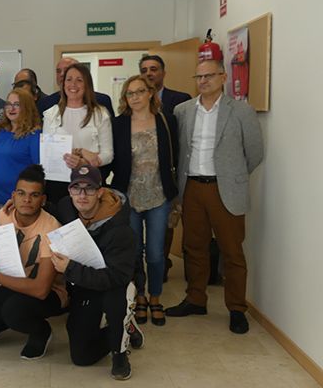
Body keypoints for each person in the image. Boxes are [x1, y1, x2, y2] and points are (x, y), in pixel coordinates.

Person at [165, 59, 264, 334]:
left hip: (226, 189)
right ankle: (196, 298)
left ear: (223, 77)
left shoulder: (241, 111)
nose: (203, 81)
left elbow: (255, 151)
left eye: (209, 75)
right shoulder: (182, 110)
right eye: (199, 76)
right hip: (193, 187)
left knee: (232, 251)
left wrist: (234, 177)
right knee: (194, 247)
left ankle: (236, 308)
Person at [0, 165, 67, 361]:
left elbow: (41, 289)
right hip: (11, 284)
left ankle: (41, 331)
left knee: (13, 310)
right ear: (13, 196)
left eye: (34, 196)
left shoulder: (51, 229)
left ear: (43, 200)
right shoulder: (3, 215)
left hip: (49, 293)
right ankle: (7, 317)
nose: (26, 200)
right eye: (21, 193)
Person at [51, 165, 141, 380]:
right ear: (69, 191)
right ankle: (125, 328)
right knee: (81, 356)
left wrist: (69, 269)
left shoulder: (121, 229)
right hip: (85, 284)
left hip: (114, 284)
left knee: (115, 298)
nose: (82, 195)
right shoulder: (66, 208)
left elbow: (115, 276)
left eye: (89, 189)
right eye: (76, 188)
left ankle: (119, 352)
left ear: (100, 192)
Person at [110, 75, 178, 327]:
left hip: (159, 195)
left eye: (140, 91)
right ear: (125, 98)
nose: (135, 97)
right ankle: (139, 296)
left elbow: (176, 156)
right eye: (130, 93)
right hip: (129, 196)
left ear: (150, 93)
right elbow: (110, 158)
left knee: (156, 253)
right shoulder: (118, 124)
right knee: (134, 251)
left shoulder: (166, 121)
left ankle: (155, 296)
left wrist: (176, 194)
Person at [139, 54, 193, 282]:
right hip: (140, 177)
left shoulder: (180, 100)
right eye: (144, 70)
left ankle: (161, 265)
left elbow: (183, 140)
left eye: (154, 69)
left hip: (166, 175)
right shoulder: (134, 103)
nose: (149, 73)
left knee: (165, 226)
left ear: (163, 72)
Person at [41, 63, 113, 205]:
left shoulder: (100, 114)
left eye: (79, 80)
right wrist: (80, 154)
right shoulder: (51, 114)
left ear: (87, 84)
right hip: (58, 184)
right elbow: (48, 153)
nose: (73, 84)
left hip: (89, 183)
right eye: (69, 79)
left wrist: (83, 163)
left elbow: (108, 155)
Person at [0, 88, 41, 223]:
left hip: (14, 202)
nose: (11, 108)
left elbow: (37, 171)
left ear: (26, 107)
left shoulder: (33, 135)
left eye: (17, 104)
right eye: (8, 104)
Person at [37, 57, 115, 118]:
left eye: (67, 70)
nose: (62, 74)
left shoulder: (102, 101)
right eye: (58, 71)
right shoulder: (45, 104)